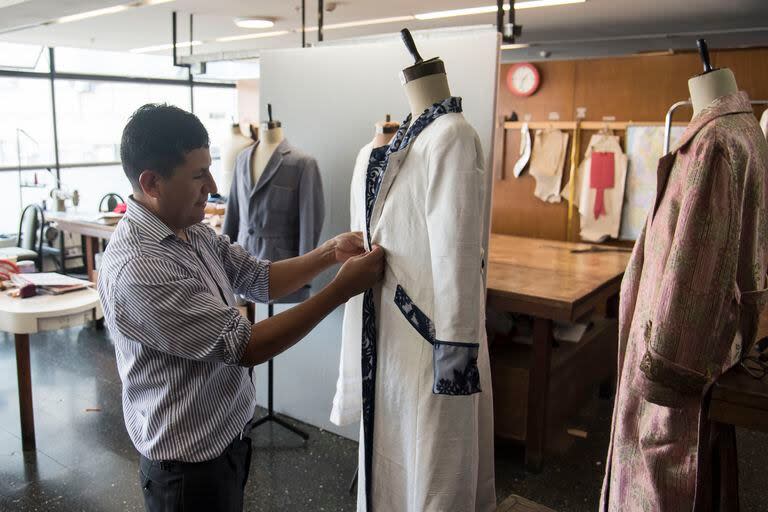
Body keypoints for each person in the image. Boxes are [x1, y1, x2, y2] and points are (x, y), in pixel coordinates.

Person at [97, 103, 384, 512]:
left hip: (225, 437)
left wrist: (326, 254)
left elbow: (257, 277)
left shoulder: (190, 230)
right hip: (187, 466)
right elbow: (244, 345)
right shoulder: (139, 269)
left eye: (209, 168)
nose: (212, 185)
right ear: (152, 182)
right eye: (198, 175)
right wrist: (339, 291)